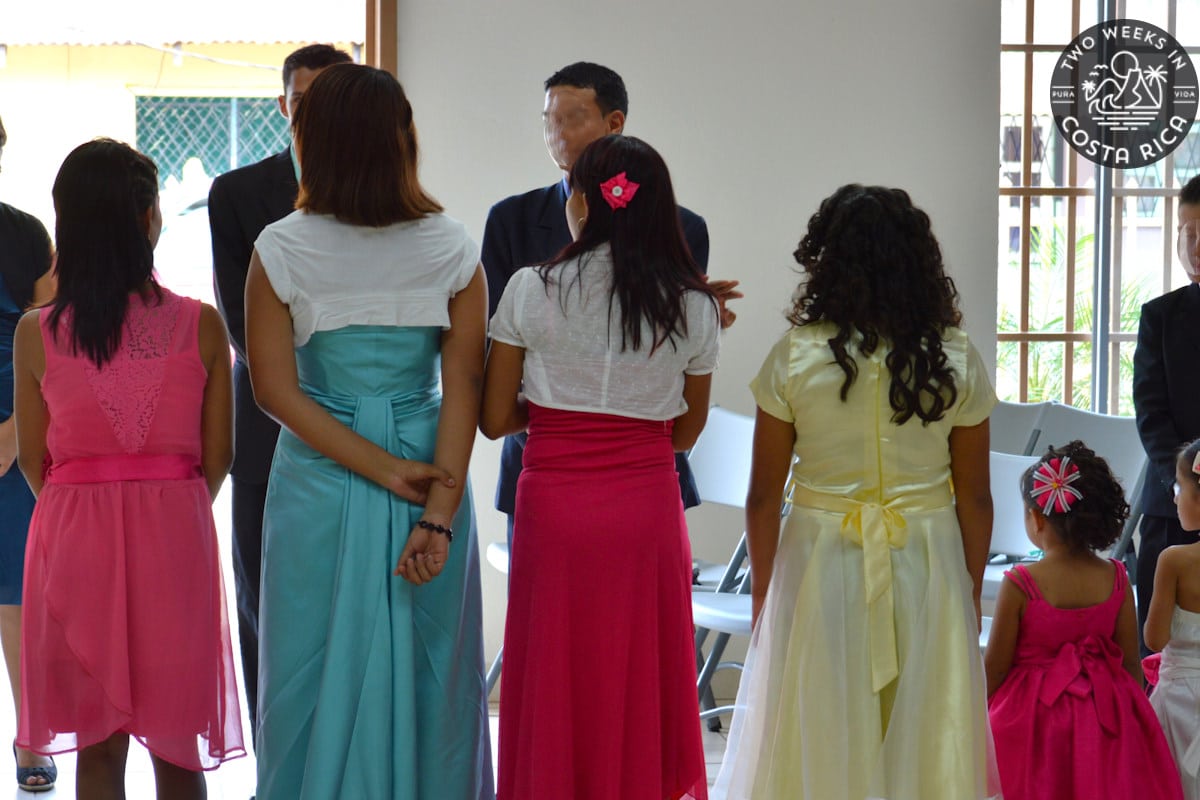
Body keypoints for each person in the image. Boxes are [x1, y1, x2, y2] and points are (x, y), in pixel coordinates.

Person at [245, 64, 493, 799]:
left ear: (311, 142)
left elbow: (275, 392)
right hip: (432, 465)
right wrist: (437, 515)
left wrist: (385, 472)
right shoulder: (452, 245)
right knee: (434, 668)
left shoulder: (280, 247)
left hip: (320, 473)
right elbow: (466, 388)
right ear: (401, 140)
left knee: (306, 665)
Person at [714, 185, 998, 799]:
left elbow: (763, 497)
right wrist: (967, 589)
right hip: (928, 557)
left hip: (819, 560)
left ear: (829, 261)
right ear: (920, 261)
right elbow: (974, 497)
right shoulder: (955, 357)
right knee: (925, 723)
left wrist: (766, 592)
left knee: (820, 720)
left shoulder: (794, 357)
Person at [482, 134, 718, 800]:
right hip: (645, 506)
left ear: (581, 205)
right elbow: (687, 430)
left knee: (556, 663)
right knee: (638, 664)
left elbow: (496, 417)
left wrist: (561, 416)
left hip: (555, 504)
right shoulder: (693, 304)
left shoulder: (533, 289)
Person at [13, 138, 244, 798]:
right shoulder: (201, 325)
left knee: (97, 750)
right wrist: (166, 500)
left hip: (74, 543)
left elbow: (36, 460)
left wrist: (86, 500)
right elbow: (219, 456)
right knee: (178, 749)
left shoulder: (37, 331)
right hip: (174, 540)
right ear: (147, 218)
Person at [482, 61, 738, 550]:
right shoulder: (511, 219)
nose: (555, 133)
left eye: (571, 117)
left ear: (614, 122)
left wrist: (703, 317)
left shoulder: (684, 229)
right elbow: (493, 348)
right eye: (547, 120)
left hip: (642, 466)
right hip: (542, 461)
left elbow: (658, 353)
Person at [208, 42, 352, 738]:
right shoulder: (237, 193)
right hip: (267, 431)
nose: (318, 117)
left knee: (351, 608)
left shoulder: (380, 198)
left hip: (365, 431)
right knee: (265, 605)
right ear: (282, 105)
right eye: (304, 102)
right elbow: (240, 320)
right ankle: (278, 760)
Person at [985, 441, 1182, 800]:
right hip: (1105, 711)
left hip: (1034, 717)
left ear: (1038, 518)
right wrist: (1133, 717)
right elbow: (1129, 663)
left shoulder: (1020, 583)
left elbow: (995, 668)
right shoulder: (1117, 577)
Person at [0, 114, 57, 793]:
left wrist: (17, 428)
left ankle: (31, 733)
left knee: (17, 596)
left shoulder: (23, 233)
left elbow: (51, 332)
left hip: (19, 418)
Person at [1134, 174, 1200, 654]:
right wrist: (1183, 482)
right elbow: (1151, 412)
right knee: (1157, 654)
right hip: (1173, 500)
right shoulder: (1160, 315)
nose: (1194, 245)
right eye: (1186, 231)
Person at [1144, 439, 1200, 799]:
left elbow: (1154, 639)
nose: (1175, 497)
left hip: (1179, 701)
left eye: (1179, 488)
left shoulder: (1174, 560)